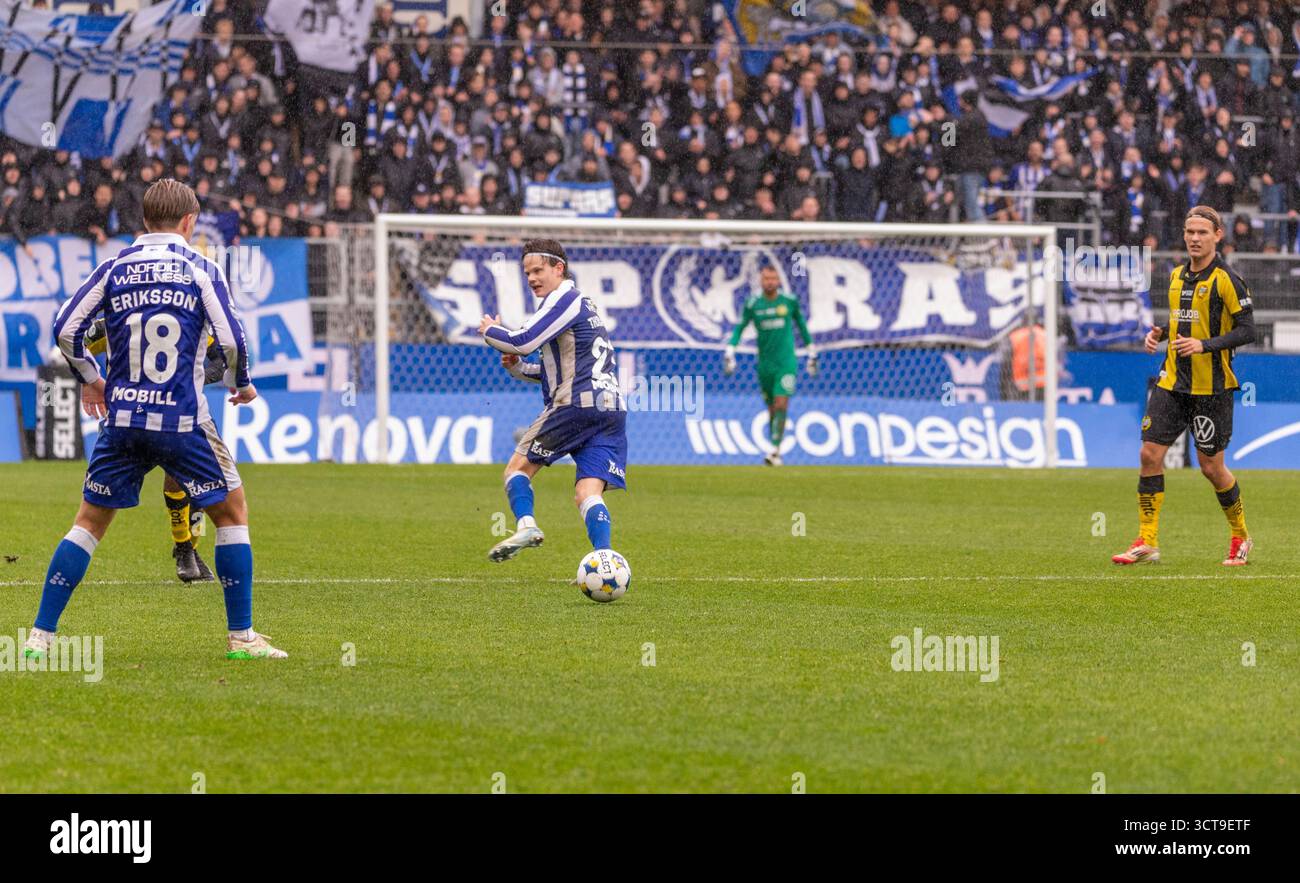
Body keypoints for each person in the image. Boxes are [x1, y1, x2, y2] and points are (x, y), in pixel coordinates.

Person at [25, 179, 285, 660]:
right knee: (232, 512)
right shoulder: (200, 268)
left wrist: (90, 378)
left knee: (87, 523)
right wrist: (240, 382)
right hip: (181, 422)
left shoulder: (115, 267)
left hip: (122, 418)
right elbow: (231, 338)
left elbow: (65, 328)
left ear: (145, 220)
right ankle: (242, 637)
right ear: (189, 221)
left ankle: (40, 637)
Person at [1113, 206, 1256, 567]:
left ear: (1217, 236)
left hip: (1212, 388)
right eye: (1190, 232)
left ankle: (1240, 535)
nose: (1195, 238)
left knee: (1211, 467)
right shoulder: (1177, 275)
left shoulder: (1227, 279)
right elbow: (1181, 319)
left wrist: (1204, 346)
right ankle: (1147, 540)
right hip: (1172, 382)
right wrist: (1159, 333)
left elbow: (1248, 330)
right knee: (1149, 454)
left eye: (1202, 233)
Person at [478, 239, 628, 562]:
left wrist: (491, 331)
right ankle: (605, 561)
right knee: (587, 493)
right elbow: (555, 371)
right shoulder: (583, 305)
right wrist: (518, 369)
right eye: (526, 272)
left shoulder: (565, 299)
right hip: (610, 409)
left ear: (559, 268)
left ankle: (527, 525)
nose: (531, 278)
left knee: (516, 470)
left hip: (577, 405)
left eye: (537, 270)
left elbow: (523, 341)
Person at [722, 264, 817, 465]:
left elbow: (801, 325)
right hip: (765, 364)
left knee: (782, 401)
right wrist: (731, 350)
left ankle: (774, 450)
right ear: (760, 280)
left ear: (779, 280)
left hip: (786, 363)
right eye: (766, 279)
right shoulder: (753, 303)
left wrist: (811, 351)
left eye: (773, 278)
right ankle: (775, 445)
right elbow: (740, 328)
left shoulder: (789, 302)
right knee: (772, 408)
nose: (770, 282)